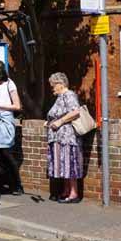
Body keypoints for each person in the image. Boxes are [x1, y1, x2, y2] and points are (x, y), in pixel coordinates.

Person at [46, 72, 84, 203]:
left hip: (67, 137)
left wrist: (60, 122)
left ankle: (73, 193)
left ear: (60, 84)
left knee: (69, 164)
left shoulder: (69, 95)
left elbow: (75, 111)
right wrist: (50, 122)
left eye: (53, 85)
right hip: (59, 137)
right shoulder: (61, 96)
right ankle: (66, 191)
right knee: (64, 165)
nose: (52, 88)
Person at [0, 61, 24, 195]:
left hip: (4, 122)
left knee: (6, 154)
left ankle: (17, 185)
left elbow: (17, 106)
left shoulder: (9, 83)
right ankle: (1, 184)